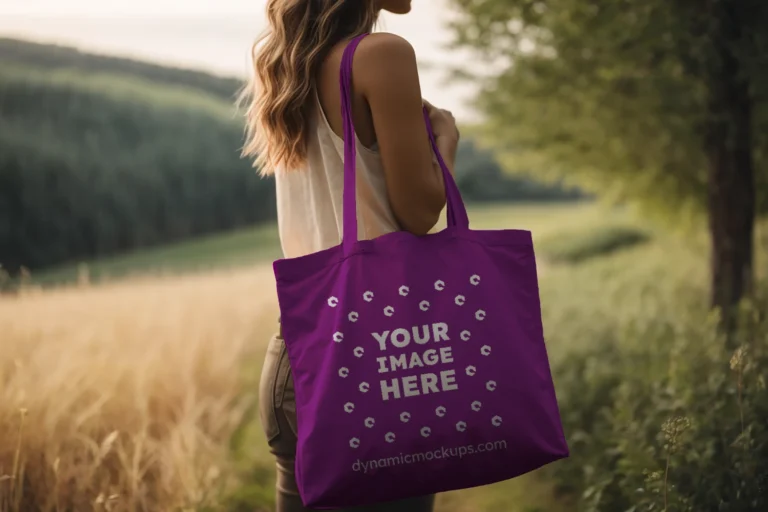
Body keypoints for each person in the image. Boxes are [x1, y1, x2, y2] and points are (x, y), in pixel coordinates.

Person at [240, 1, 460, 510]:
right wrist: (445, 144)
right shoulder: (381, 55)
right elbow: (420, 211)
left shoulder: (286, 62)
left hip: (297, 361)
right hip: (382, 356)